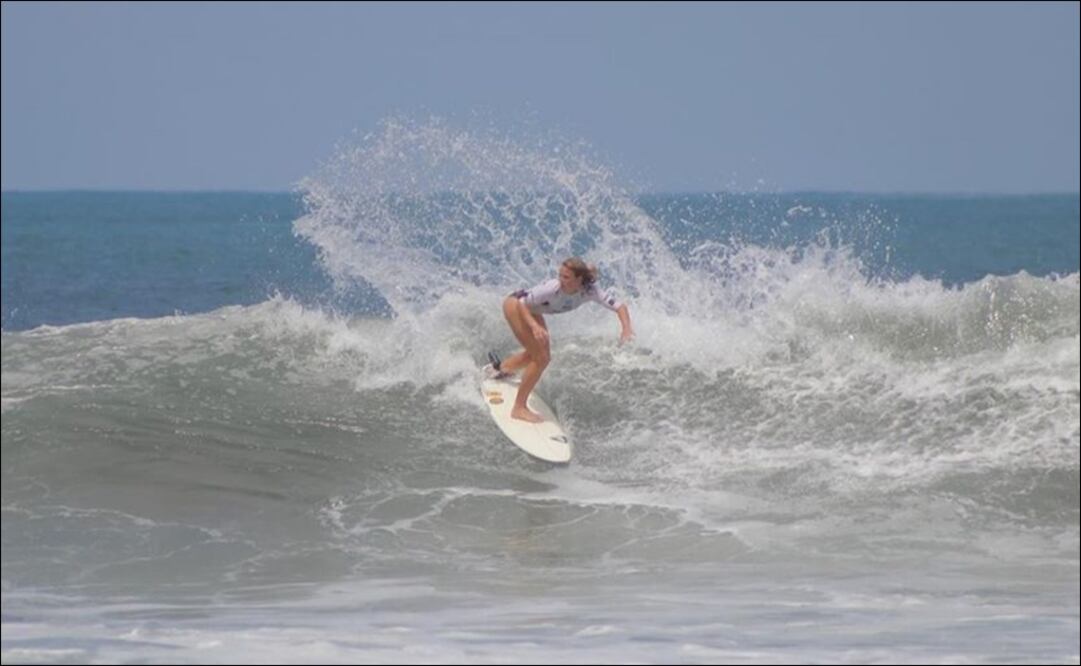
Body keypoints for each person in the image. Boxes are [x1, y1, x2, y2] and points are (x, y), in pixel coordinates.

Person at [488, 257, 633, 423]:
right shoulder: (552, 288)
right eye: (560, 275)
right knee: (542, 358)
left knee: (539, 354)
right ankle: (519, 408)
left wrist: (626, 329)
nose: (561, 280)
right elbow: (521, 303)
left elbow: (620, 306)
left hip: (532, 310)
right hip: (516, 306)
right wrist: (535, 327)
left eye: (566, 277)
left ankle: (503, 369)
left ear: (579, 279)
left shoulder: (590, 290)